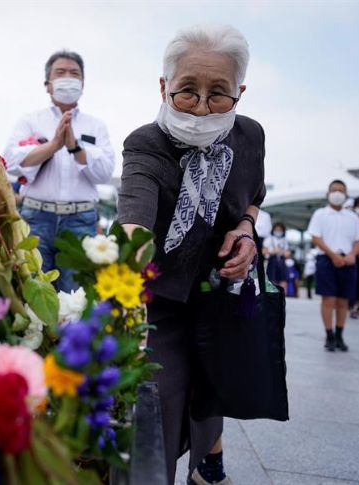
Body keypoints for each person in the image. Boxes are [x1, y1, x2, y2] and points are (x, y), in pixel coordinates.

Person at [118, 24, 264, 484]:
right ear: (163, 87)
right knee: (154, 399)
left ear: (240, 92)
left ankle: (208, 467)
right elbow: (135, 218)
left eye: (218, 94)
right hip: (156, 295)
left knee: (211, 385)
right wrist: (126, 275)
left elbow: (254, 195)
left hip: (217, 290)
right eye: (186, 91)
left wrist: (246, 229)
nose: (201, 107)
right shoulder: (146, 143)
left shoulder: (249, 136)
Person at [4, 50, 116, 293]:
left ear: (83, 84)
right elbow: (11, 162)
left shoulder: (96, 126)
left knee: (76, 295)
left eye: (74, 74)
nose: (68, 78)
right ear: (47, 83)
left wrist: (75, 147)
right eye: (61, 72)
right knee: (33, 290)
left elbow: (105, 172)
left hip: (80, 221)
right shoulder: (30, 121)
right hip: (35, 218)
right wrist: (54, 145)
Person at [306, 180, 359, 352]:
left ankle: (340, 334)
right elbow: (316, 237)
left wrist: (352, 255)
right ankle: (329, 335)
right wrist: (333, 255)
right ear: (328, 193)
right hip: (326, 260)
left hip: (348, 261)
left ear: (346, 195)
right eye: (334, 190)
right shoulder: (320, 214)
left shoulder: (352, 217)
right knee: (328, 299)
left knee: (343, 300)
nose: (337, 193)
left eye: (341, 190)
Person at [262, 222, 289, 290]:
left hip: (281, 262)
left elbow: (288, 253)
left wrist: (282, 252)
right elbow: (264, 252)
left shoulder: (284, 240)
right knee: (271, 280)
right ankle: (272, 293)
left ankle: (282, 294)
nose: (278, 231)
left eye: (280, 230)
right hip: (272, 262)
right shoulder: (269, 239)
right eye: (277, 230)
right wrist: (274, 251)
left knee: (283, 281)